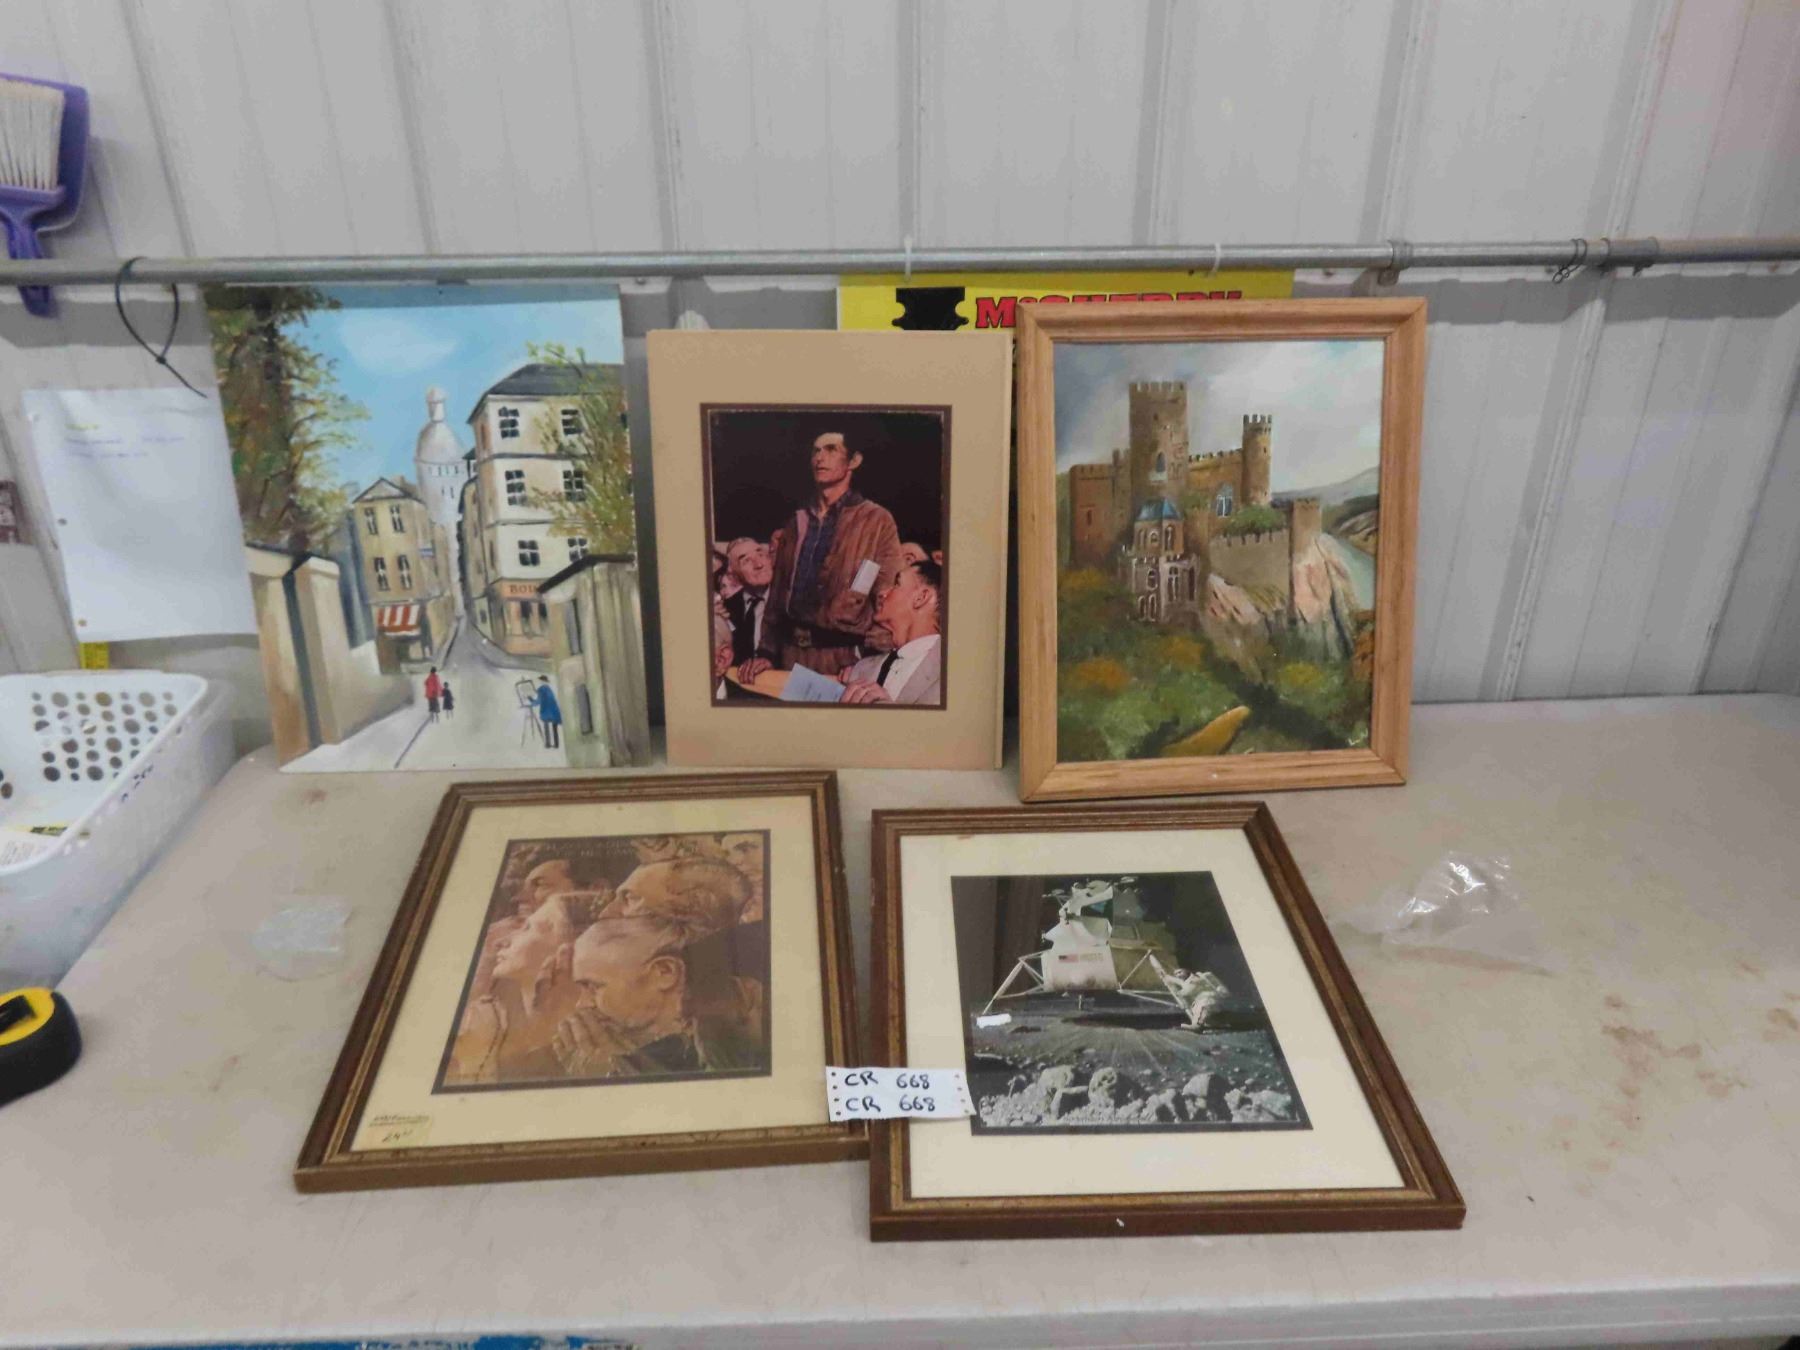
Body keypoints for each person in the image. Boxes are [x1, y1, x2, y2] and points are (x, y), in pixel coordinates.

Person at [740, 431, 905, 679]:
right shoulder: (797, 521)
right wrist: (766, 652)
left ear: (854, 460)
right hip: (790, 657)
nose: (820, 457)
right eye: (815, 451)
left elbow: (888, 595)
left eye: (831, 449)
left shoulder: (876, 520)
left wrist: (869, 661)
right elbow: (776, 597)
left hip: (845, 660)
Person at [447, 892, 607, 1085]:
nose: (502, 941)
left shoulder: (599, 1049)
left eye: (527, 928)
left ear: (570, 947)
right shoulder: (487, 1022)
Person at [837, 559, 944, 706]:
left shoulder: (953, 671)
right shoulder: (861, 668)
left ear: (921, 598)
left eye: (896, 584)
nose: (882, 593)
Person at [535, 676, 562, 748]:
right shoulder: (549, 689)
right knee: (554, 728)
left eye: (540, 681)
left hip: (546, 711)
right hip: (554, 711)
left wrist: (531, 701)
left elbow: (538, 701)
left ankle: (548, 744)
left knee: (546, 727)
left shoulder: (541, 689)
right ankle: (556, 744)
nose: (540, 682)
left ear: (542, 681)